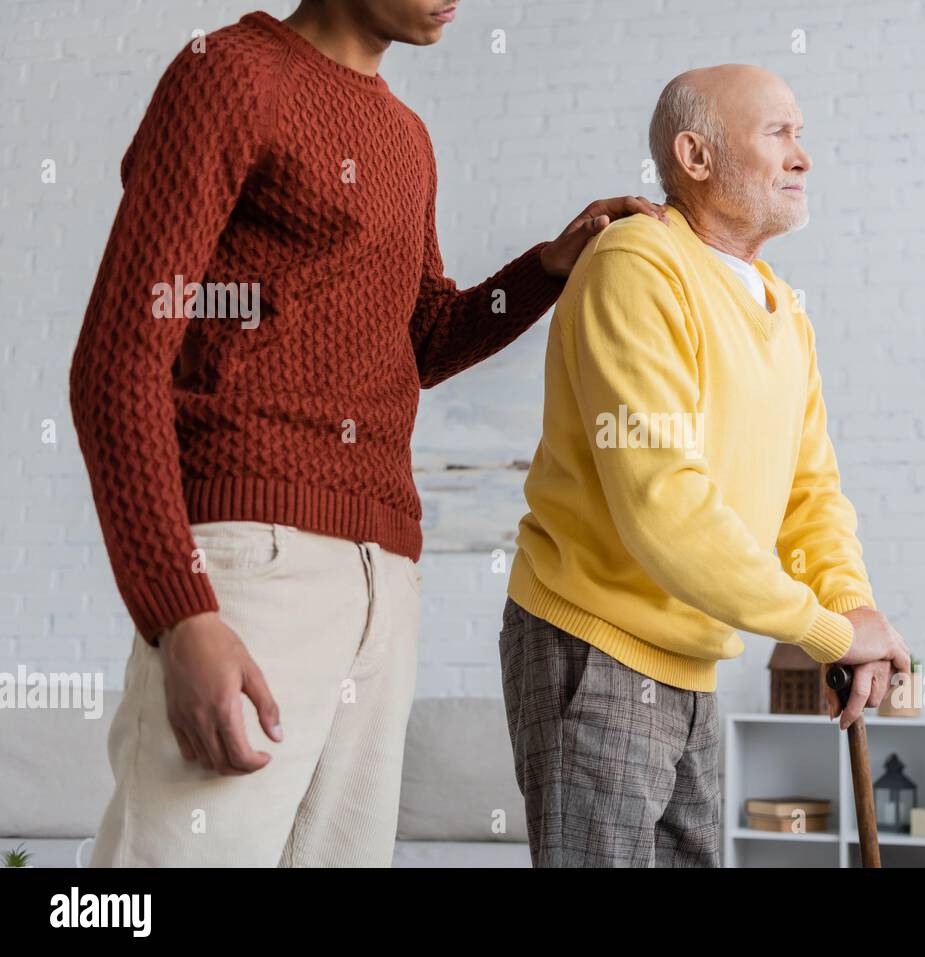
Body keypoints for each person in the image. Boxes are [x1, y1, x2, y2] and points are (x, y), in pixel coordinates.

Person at [68, 0, 665, 867]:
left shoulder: (407, 137)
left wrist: (547, 267)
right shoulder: (228, 73)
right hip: (250, 564)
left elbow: (421, 338)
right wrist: (179, 612)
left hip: (386, 578)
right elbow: (116, 363)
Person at [498, 64, 911, 867]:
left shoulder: (783, 310)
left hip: (692, 662)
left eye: (801, 135)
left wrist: (851, 609)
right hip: (596, 644)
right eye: (778, 134)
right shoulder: (636, 264)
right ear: (695, 156)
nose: (804, 157)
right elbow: (664, 506)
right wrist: (826, 629)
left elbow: (811, 495)